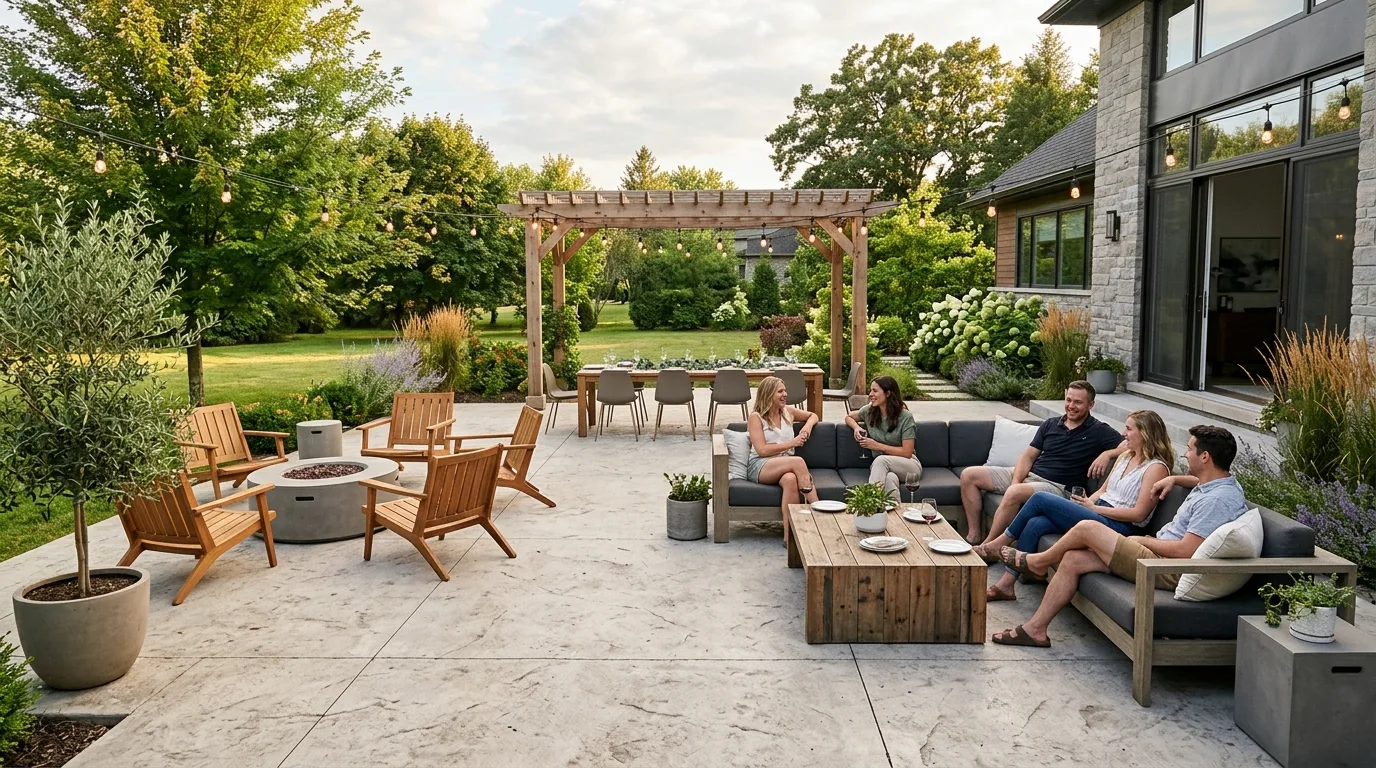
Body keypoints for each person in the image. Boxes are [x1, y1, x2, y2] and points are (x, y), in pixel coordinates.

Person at [990, 425, 1247, 647]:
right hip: (1155, 555)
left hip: (1162, 566)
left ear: (1205, 457)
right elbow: (1200, 483)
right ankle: (1036, 631)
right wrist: (1176, 479)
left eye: (1190, 449)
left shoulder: (1216, 500)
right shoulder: (1219, 483)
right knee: (1072, 559)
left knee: (1086, 528)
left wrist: (1143, 540)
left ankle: (1038, 561)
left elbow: (1186, 551)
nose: (1185, 453)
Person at [979, 410, 1174, 601]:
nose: (1124, 433)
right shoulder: (1125, 457)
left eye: (1129, 429)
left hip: (1118, 527)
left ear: (1145, 433)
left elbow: (1139, 515)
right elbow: (1103, 490)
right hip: (1098, 512)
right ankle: (1006, 585)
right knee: (1036, 523)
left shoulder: (1156, 468)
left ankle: (1000, 542)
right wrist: (1088, 502)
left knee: (1040, 498)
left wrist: (1094, 509)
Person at [959, 381, 1125, 546]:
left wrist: (1108, 453)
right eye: (1068, 400)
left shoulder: (1099, 430)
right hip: (1031, 475)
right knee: (969, 475)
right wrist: (1016, 480)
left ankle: (989, 547)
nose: (1071, 406)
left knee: (1015, 491)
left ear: (1091, 404)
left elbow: (1129, 444)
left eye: (1078, 402)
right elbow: (1028, 456)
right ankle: (974, 536)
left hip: (1058, 487)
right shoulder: (1051, 424)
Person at [746, 376, 821, 547]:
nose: (785, 394)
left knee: (790, 479)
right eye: (780, 391)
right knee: (798, 461)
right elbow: (762, 450)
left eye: (784, 390)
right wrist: (792, 443)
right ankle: (819, 509)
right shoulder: (756, 417)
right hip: (761, 464)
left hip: (784, 463)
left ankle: (790, 538)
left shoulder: (788, 412)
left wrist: (807, 427)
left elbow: (813, 415)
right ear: (769, 394)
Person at [844, 376, 919, 501]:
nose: (870, 394)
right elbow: (849, 417)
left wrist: (877, 446)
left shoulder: (905, 417)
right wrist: (856, 428)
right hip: (886, 468)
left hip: (909, 465)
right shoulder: (870, 411)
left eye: (875, 391)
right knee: (890, 479)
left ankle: (869, 502)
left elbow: (907, 452)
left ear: (888, 393)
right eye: (870, 391)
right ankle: (895, 515)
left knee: (880, 460)